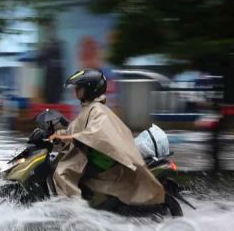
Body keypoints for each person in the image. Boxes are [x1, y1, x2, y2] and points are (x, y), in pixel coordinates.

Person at [48, 68, 166, 208]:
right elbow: (76, 128)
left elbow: (94, 133)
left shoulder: (97, 109)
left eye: (79, 87)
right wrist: (58, 134)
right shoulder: (90, 108)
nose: (76, 91)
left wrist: (70, 137)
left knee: (63, 173)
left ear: (90, 89)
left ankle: (74, 211)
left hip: (101, 162)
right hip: (94, 157)